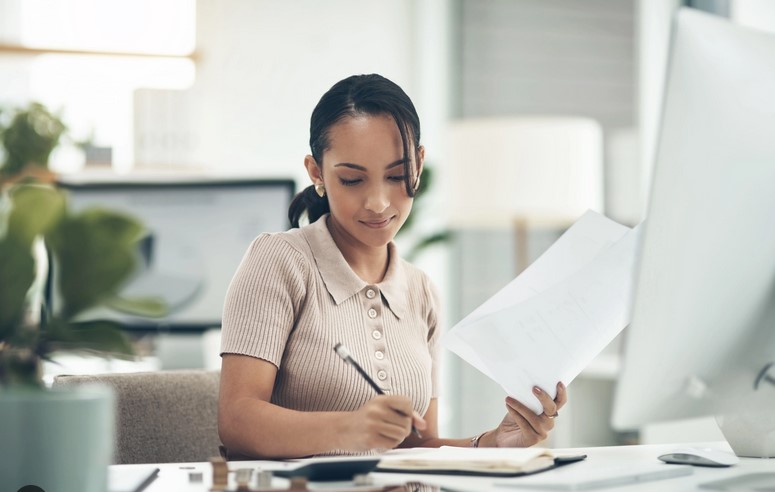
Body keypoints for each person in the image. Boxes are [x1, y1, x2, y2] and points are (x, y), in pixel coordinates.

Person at [218, 73, 567, 459]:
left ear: (419, 163)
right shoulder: (281, 262)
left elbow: (416, 447)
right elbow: (237, 422)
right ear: (317, 173)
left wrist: (490, 444)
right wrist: (350, 427)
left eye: (397, 176)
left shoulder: (421, 291)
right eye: (352, 180)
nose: (379, 203)